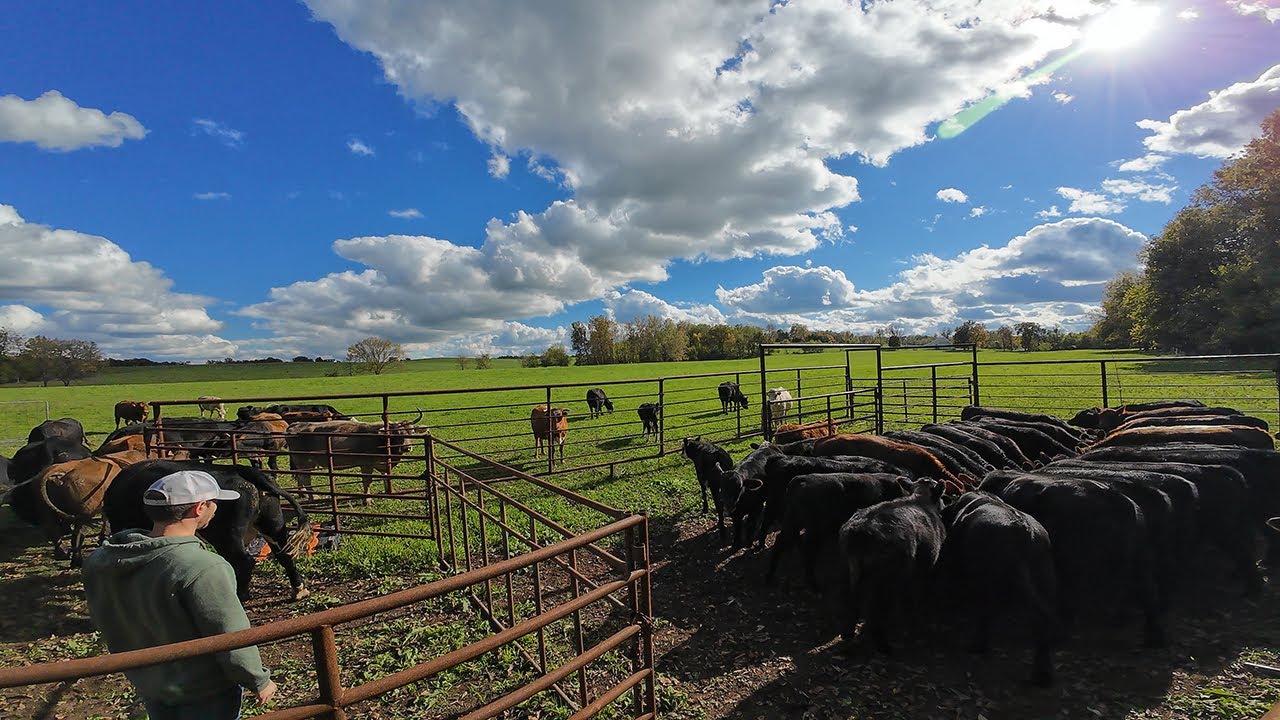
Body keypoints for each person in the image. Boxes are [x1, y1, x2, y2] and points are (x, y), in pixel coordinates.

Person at [82, 469, 278, 720]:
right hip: (204, 690)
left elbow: (104, 618)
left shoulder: (100, 561)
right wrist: (257, 679)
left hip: (149, 682)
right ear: (199, 508)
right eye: (213, 503)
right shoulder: (203, 567)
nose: (216, 508)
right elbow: (229, 634)